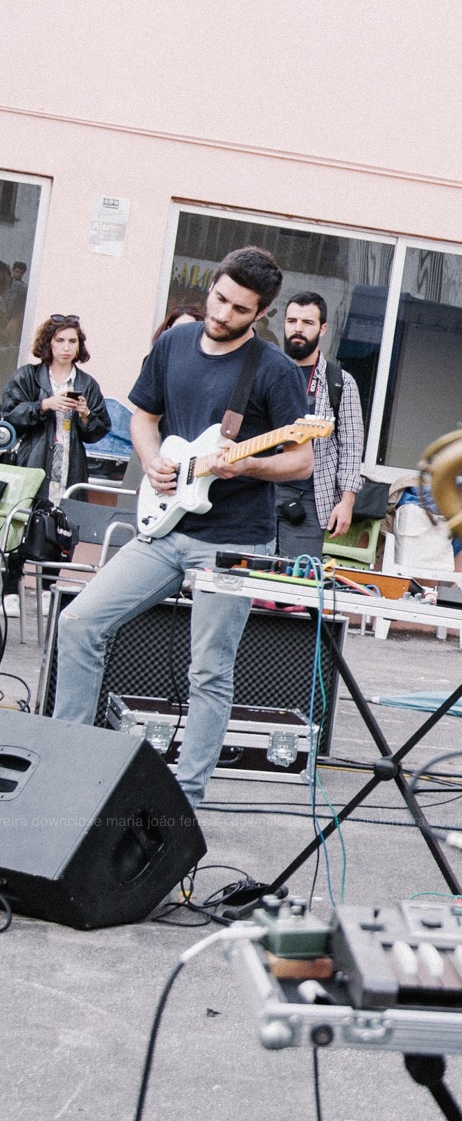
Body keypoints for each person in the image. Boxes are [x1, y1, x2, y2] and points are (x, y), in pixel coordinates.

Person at [54, 247, 313, 808]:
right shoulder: (174, 342)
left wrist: (247, 464)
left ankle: (185, 800)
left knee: (209, 671)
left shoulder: (273, 371)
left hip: (234, 540)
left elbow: (300, 461)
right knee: (79, 623)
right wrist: (150, 461)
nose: (222, 315)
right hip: (164, 528)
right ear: (212, 285)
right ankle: (64, 760)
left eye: (239, 310)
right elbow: (145, 415)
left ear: (261, 312)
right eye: (219, 299)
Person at [0, 314, 112, 614]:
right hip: (33, 462)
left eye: (72, 341)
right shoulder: (28, 376)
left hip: (70, 465)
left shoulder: (86, 384)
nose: (66, 347)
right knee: (23, 521)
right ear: (48, 343)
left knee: (64, 526)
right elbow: (8, 415)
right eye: (59, 340)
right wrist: (44, 405)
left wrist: (86, 413)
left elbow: (100, 430)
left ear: (79, 346)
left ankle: (52, 587)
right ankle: (11, 586)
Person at [274, 292, 362, 559]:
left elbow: (351, 447)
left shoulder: (340, 382)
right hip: (259, 494)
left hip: (309, 500)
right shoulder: (268, 372)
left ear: (323, 328)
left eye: (308, 322)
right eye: (292, 320)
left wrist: (347, 502)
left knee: (297, 588)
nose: (298, 328)